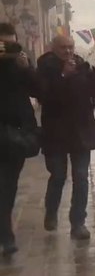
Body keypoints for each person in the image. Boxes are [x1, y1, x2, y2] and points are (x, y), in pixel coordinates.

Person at [37, 35, 95, 240]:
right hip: (56, 134)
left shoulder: (80, 66)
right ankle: (51, 212)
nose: (68, 51)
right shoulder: (45, 67)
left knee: (81, 178)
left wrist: (91, 71)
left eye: (70, 47)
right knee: (58, 177)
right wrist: (62, 76)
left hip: (81, 133)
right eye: (63, 48)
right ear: (53, 48)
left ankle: (78, 223)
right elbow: (44, 96)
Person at [0, 23, 40, 256]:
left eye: (12, 43)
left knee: (9, 184)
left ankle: (5, 230)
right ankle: (6, 236)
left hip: (17, 133)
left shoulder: (20, 63)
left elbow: (38, 91)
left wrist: (26, 69)